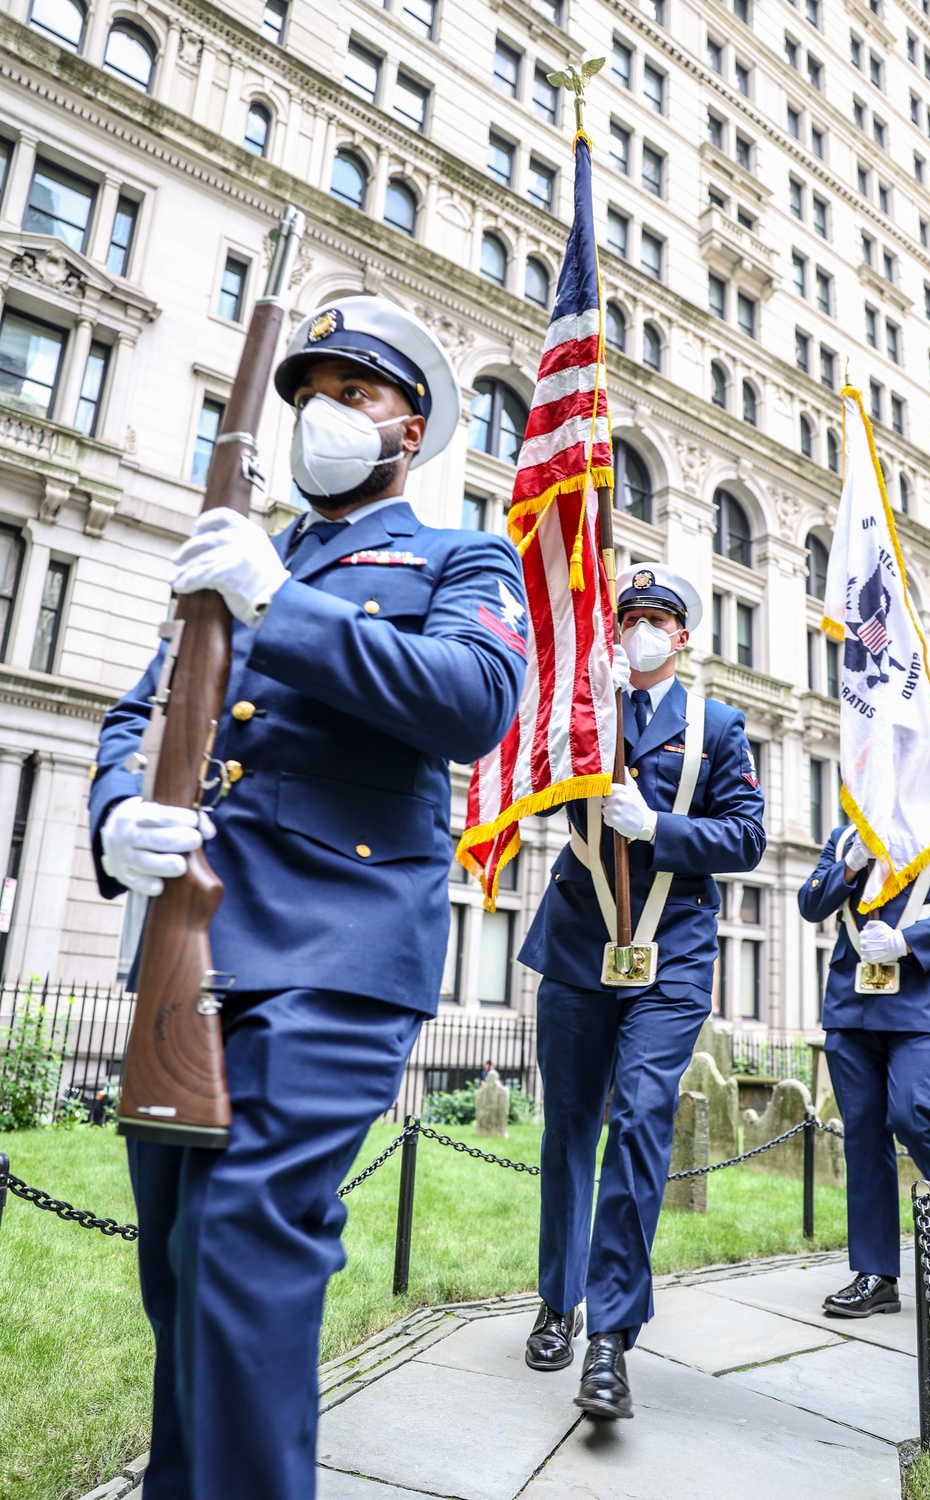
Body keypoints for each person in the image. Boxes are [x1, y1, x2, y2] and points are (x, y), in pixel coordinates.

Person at [89, 295, 527, 1500]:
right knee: (180, 1269)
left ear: (410, 425)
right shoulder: (233, 552)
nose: (320, 415)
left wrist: (277, 601)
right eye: (306, 394)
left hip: (337, 943)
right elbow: (142, 713)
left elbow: (473, 700)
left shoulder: (458, 556)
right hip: (193, 944)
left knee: (244, 1249)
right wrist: (116, 814)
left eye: (352, 393)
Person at [518, 563, 766, 1419]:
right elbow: (529, 783)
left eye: (657, 618)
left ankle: (611, 1338)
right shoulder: (587, 714)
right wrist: (577, 721)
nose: (639, 630)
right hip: (580, 941)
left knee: (639, 1123)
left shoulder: (721, 725)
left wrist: (655, 826)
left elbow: (747, 837)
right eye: (629, 618)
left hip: (671, 952)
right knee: (568, 1131)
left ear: (684, 636)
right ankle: (559, 1300)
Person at [799, 817, 930, 1318]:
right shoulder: (846, 836)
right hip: (852, 1000)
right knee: (862, 1134)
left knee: (916, 1115)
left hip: (924, 1000)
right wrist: (851, 864)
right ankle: (876, 1274)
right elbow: (810, 903)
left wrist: (908, 942)